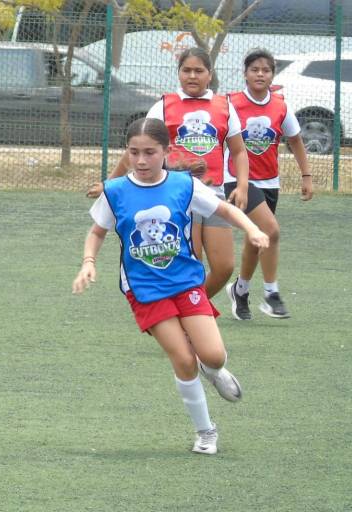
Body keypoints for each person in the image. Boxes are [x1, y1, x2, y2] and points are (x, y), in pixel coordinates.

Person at [73, 118, 269, 455]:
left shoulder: (183, 186)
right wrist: (88, 262)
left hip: (185, 281)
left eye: (150, 152)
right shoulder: (115, 190)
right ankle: (206, 432)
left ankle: (212, 369)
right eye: (134, 152)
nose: (141, 161)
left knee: (213, 355)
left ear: (166, 151)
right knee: (182, 359)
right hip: (144, 289)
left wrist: (251, 229)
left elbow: (223, 209)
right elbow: (96, 232)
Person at [87, 47, 251, 299]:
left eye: (199, 70)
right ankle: (188, 314)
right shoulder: (163, 106)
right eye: (186, 70)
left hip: (214, 194)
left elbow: (239, 151)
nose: (192, 76)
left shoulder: (224, 107)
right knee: (191, 262)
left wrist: (242, 186)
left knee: (224, 267)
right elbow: (137, 150)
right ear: (178, 73)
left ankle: (194, 306)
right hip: (177, 195)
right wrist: (109, 183)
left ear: (210, 74)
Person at [223, 48, 314, 320]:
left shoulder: (280, 106)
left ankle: (240, 290)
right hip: (237, 180)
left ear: (272, 75)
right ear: (245, 74)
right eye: (255, 69)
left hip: (269, 182)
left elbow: (295, 139)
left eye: (266, 70)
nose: (260, 74)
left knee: (258, 239)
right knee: (271, 230)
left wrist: (306, 176)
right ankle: (272, 294)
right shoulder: (230, 103)